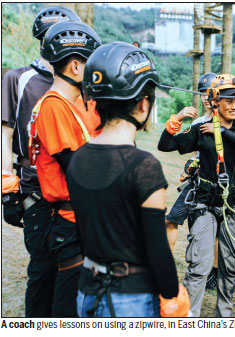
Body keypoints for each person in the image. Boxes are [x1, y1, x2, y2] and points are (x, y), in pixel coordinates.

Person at [66, 42, 189, 317]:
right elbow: (157, 250)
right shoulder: (143, 166)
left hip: (87, 292)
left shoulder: (78, 158)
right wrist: (172, 294)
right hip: (130, 299)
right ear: (144, 104)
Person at [1, 6, 81, 317]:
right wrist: (8, 190)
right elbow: (5, 136)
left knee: (72, 270)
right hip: (35, 187)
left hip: (75, 189)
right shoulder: (19, 79)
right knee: (43, 269)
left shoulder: (82, 82)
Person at [158, 74, 235, 317]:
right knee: (199, 265)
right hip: (204, 204)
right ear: (216, 103)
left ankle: (224, 316)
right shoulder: (201, 131)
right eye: (229, 101)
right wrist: (177, 119)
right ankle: (190, 316)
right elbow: (166, 145)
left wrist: (221, 132)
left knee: (229, 267)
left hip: (233, 206)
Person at [27, 21, 102, 317]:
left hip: (75, 214)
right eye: (92, 66)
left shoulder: (70, 104)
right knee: (65, 305)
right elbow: (77, 168)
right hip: (63, 216)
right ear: (75, 66)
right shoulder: (54, 106)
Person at [164, 72, 220, 291]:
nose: (206, 98)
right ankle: (165, 263)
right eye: (202, 93)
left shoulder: (228, 120)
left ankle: (213, 272)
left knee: (213, 228)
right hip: (196, 182)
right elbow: (182, 147)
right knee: (172, 219)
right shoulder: (197, 122)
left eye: (210, 93)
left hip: (216, 183)